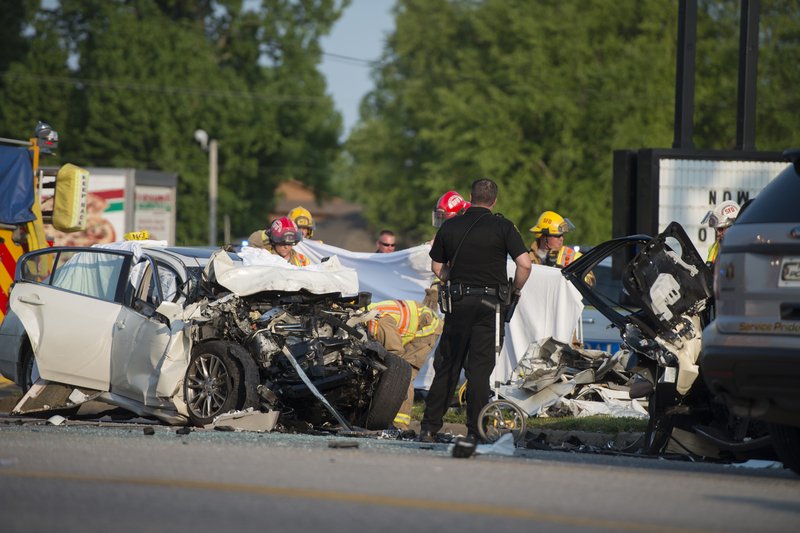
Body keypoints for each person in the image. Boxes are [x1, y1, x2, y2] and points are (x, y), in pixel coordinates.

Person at [420, 178, 531, 442]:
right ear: (494, 200)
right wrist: (514, 290)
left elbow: (437, 267)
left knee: (447, 366)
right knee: (479, 371)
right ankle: (476, 431)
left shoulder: (450, 226)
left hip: (458, 305)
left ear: (470, 197)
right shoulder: (504, 227)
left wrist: (454, 279)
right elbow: (525, 265)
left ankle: (428, 428)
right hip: (490, 308)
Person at [366, 299, 442, 431]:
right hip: (415, 320)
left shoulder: (380, 322)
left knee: (403, 373)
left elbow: (395, 352)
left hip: (426, 328)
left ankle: (399, 424)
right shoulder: (364, 315)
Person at [701, 200, 740, 266]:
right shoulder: (714, 247)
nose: (718, 233)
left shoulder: (745, 248)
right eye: (716, 230)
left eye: (721, 229)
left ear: (733, 227)